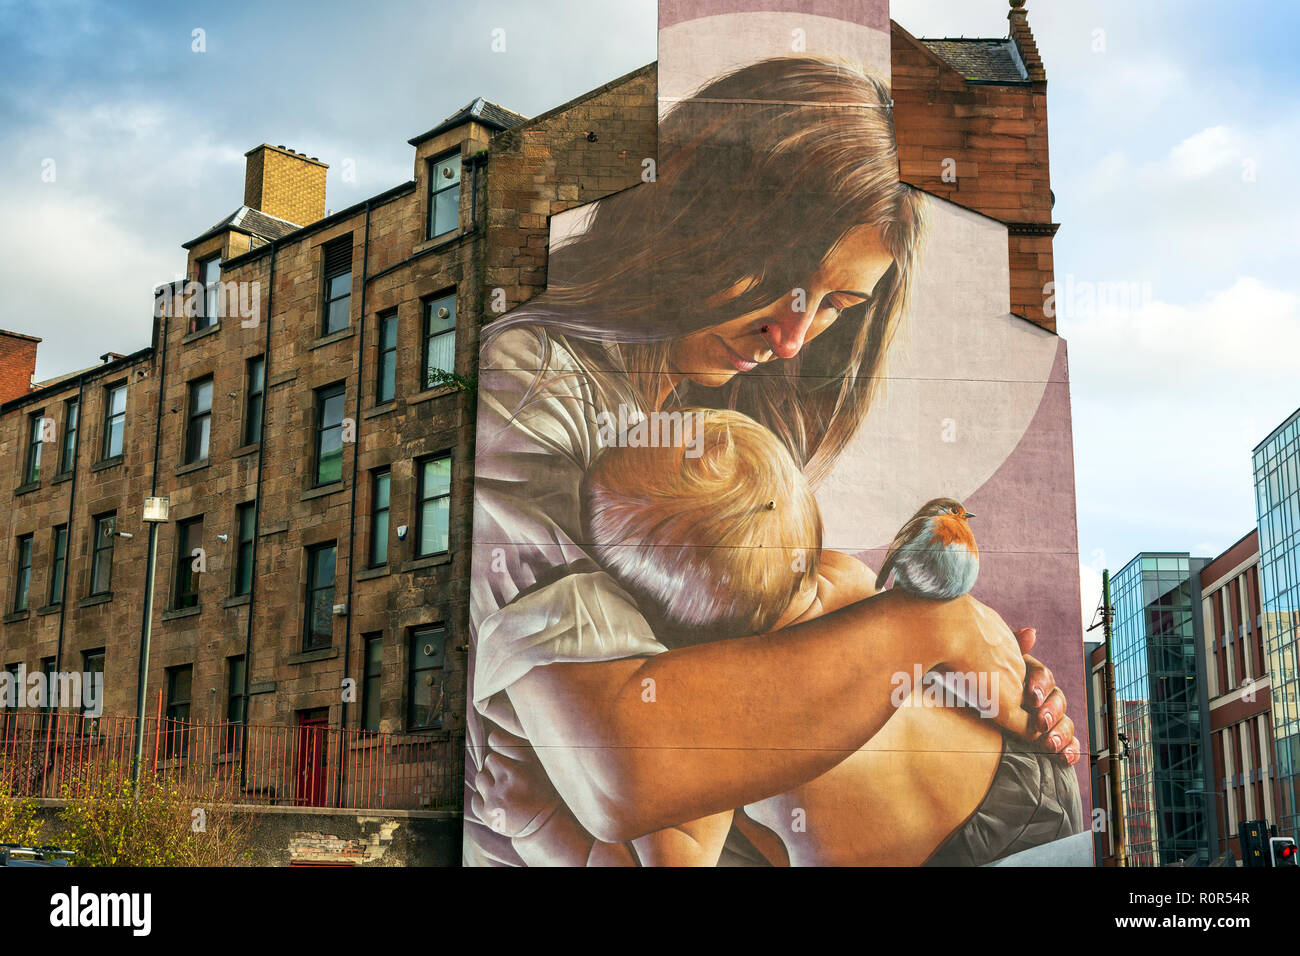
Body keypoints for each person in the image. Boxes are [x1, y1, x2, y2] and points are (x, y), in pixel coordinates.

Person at [466, 55, 1079, 866]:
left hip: (1003, 811)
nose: (792, 339)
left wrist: (973, 659)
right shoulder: (535, 379)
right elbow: (627, 769)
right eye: (783, 283)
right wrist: (935, 629)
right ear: (697, 218)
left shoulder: (728, 417)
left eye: (836, 306)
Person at [478, 409, 1082, 866]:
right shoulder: (847, 577)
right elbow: (979, 667)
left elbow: (678, 855)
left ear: (663, 623)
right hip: (1025, 788)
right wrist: (1022, 687)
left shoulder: (717, 712)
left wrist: (538, 823)